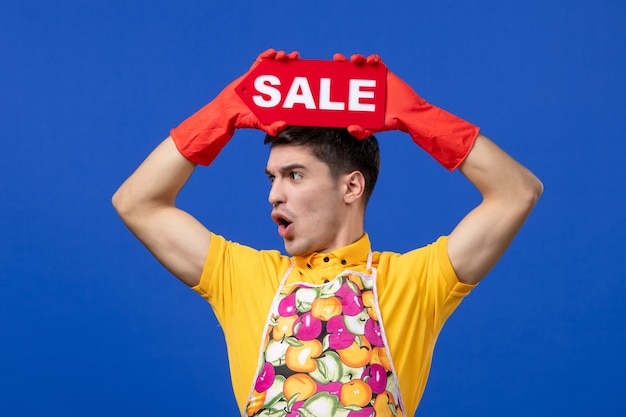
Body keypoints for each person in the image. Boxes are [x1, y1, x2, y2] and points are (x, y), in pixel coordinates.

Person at [112, 49, 543, 417]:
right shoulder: (241, 277)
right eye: (272, 178)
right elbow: (136, 202)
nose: (274, 195)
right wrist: (222, 113)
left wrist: (418, 118)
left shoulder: (418, 282)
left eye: (295, 176)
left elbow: (516, 192)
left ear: (351, 186)